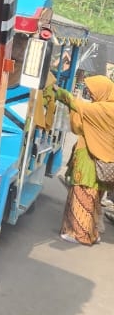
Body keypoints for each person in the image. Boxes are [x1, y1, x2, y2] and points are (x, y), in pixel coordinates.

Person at [53, 76, 114, 245]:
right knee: (94, 201)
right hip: (103, 166)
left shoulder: (103, 109)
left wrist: (60, 92)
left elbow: (77, 107)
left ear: (104, 91)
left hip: (89, 162)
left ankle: (79, 235)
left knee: (81, 198)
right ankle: (92, 234)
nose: (92, 95)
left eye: (94, 92)